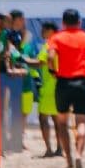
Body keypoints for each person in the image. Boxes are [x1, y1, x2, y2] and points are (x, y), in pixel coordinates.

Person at [49, 8, 85, 168]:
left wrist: (53, 71)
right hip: (82, 82)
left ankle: (69, 159)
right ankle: (79, 154)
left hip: (63, 82)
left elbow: (50, 58)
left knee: (62, 123)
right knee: (81, 122)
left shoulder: (56, 38)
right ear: (79, 22)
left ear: (63, 23)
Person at [31, 20, 60, 155]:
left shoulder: (49, 44)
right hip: (60, 85)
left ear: (50, 31)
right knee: (57, 118)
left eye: (44, 30)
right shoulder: (61, 43)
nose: (41, 32)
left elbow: (39, 62)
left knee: (43, 118)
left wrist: (22, 59)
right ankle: (60, 148)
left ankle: (49, 149)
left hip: (49, 86)